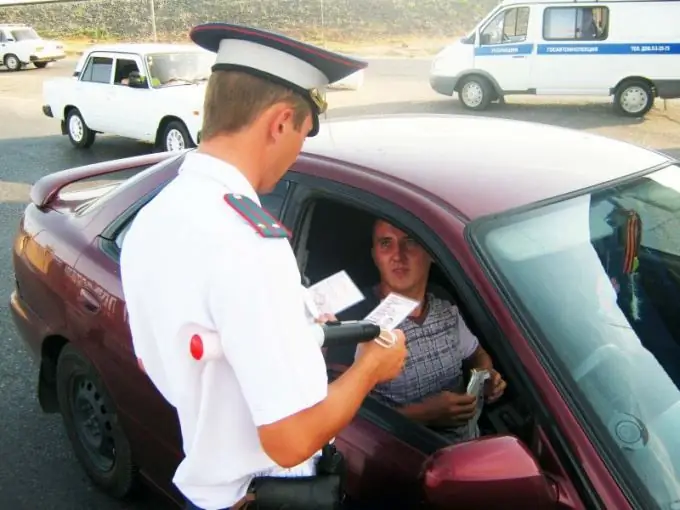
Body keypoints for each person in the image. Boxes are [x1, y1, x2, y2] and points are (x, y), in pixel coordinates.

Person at [120, 22, 407, 510]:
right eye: (303, 131)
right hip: (263, 496)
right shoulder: (250, 245)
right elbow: (291, 440)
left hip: (209, 490)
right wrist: (371, 368)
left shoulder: (155, 215)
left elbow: (159, 358)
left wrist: (293, 323)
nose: (299, 150)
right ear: (279, 122)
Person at [335, 219, 507, 444]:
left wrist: (485, 376)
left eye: (410, 242)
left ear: (432, 253)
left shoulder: (443, 302)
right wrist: (423, 415)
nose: (398, 255)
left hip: (472, 445)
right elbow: (340, 420)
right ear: (375, 255)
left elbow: (477, 354)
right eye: (386, 243)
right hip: (402, 460)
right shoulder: (355, 321)